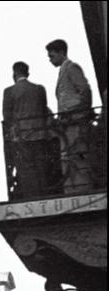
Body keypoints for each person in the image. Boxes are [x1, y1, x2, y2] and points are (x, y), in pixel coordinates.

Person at [2, 61, 55, 198]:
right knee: (41, 167)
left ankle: (31, 197)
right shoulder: (39, 89)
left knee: (26, 169)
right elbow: (44, 110)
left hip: (21, 137)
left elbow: (7, 117)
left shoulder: (9, 92)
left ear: (14, 74)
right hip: (40, 135)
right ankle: (44, 194)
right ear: (27, 73)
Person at [46, 39, 94, 191]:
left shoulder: (72, 67)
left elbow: (85, 90)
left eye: (52, 56)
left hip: (74, 121)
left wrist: (80, 113)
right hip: (67, 123)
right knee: (69, 156)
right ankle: (74, 189)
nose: (50, 60)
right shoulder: (63, 70)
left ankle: (82, 188)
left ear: (61, 53)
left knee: (77, 154)